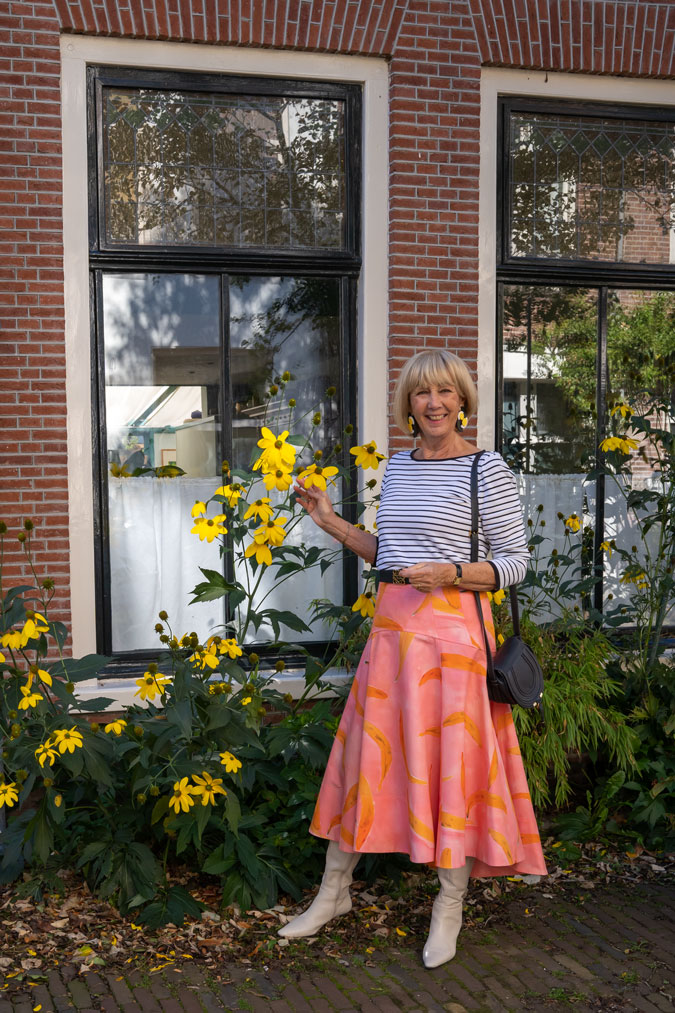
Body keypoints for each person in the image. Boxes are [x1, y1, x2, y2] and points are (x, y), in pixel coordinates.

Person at [278, 348, 546, 967]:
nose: (434, 404)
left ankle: (448, 906)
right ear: (409, 403)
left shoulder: (487, 469)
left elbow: (514, 562)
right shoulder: (398, 468)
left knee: (451, 766)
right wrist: (330, 522)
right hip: (392, 639)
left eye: (446, 393)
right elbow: (389, 554)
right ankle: (333, 894)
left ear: (462, 401)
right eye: (423, 393)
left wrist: (451, 572)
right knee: (366, 760)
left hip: (454, 644)